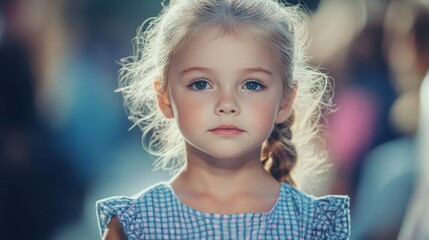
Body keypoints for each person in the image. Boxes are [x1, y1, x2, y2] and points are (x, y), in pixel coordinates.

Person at [95, 0, 350, 239]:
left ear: (285, 100)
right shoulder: (136, 225)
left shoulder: (314, 225)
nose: (227, 104)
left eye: (252, 85)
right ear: (164, 97)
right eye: (201, 84)